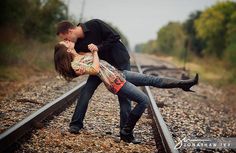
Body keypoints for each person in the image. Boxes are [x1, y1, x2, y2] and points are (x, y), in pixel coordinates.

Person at [54, 40, 199, 143]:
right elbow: (95, 69)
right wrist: (95, 52)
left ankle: (184, 84)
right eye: (65, 43)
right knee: (144, 100)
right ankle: (126, 131)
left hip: (120, 73)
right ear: (66, 50)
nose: (68, 41)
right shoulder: (75, 65)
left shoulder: (81, 54)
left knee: (153, 80)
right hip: (115, 82)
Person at [56, 19, 137, 143]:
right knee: (86, 91)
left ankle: (125, 133)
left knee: (124, 97)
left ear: (71, 31)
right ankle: (75, 125)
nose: (67, 41)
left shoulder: (95, 24)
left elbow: (115, 37)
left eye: (66, 38)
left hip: (120, 61)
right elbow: (77, 60)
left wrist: (97, 48)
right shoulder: (76, 45)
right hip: (100, 67)